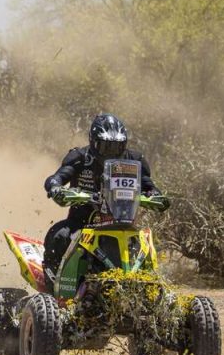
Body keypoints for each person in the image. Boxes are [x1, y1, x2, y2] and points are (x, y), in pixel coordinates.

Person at [41, 113, 161, 290]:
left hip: (123, 223)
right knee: (59, 235)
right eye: (106, 146)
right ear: (93, 142)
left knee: (146, 242)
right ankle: (53, 290)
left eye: (117, 146)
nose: (112, 152)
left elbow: (149, 186)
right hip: (82, 223)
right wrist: (56, 188)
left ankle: (154, 291)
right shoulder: (79, 157)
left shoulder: (135, 160)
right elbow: (57, 177)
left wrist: (156, 196)